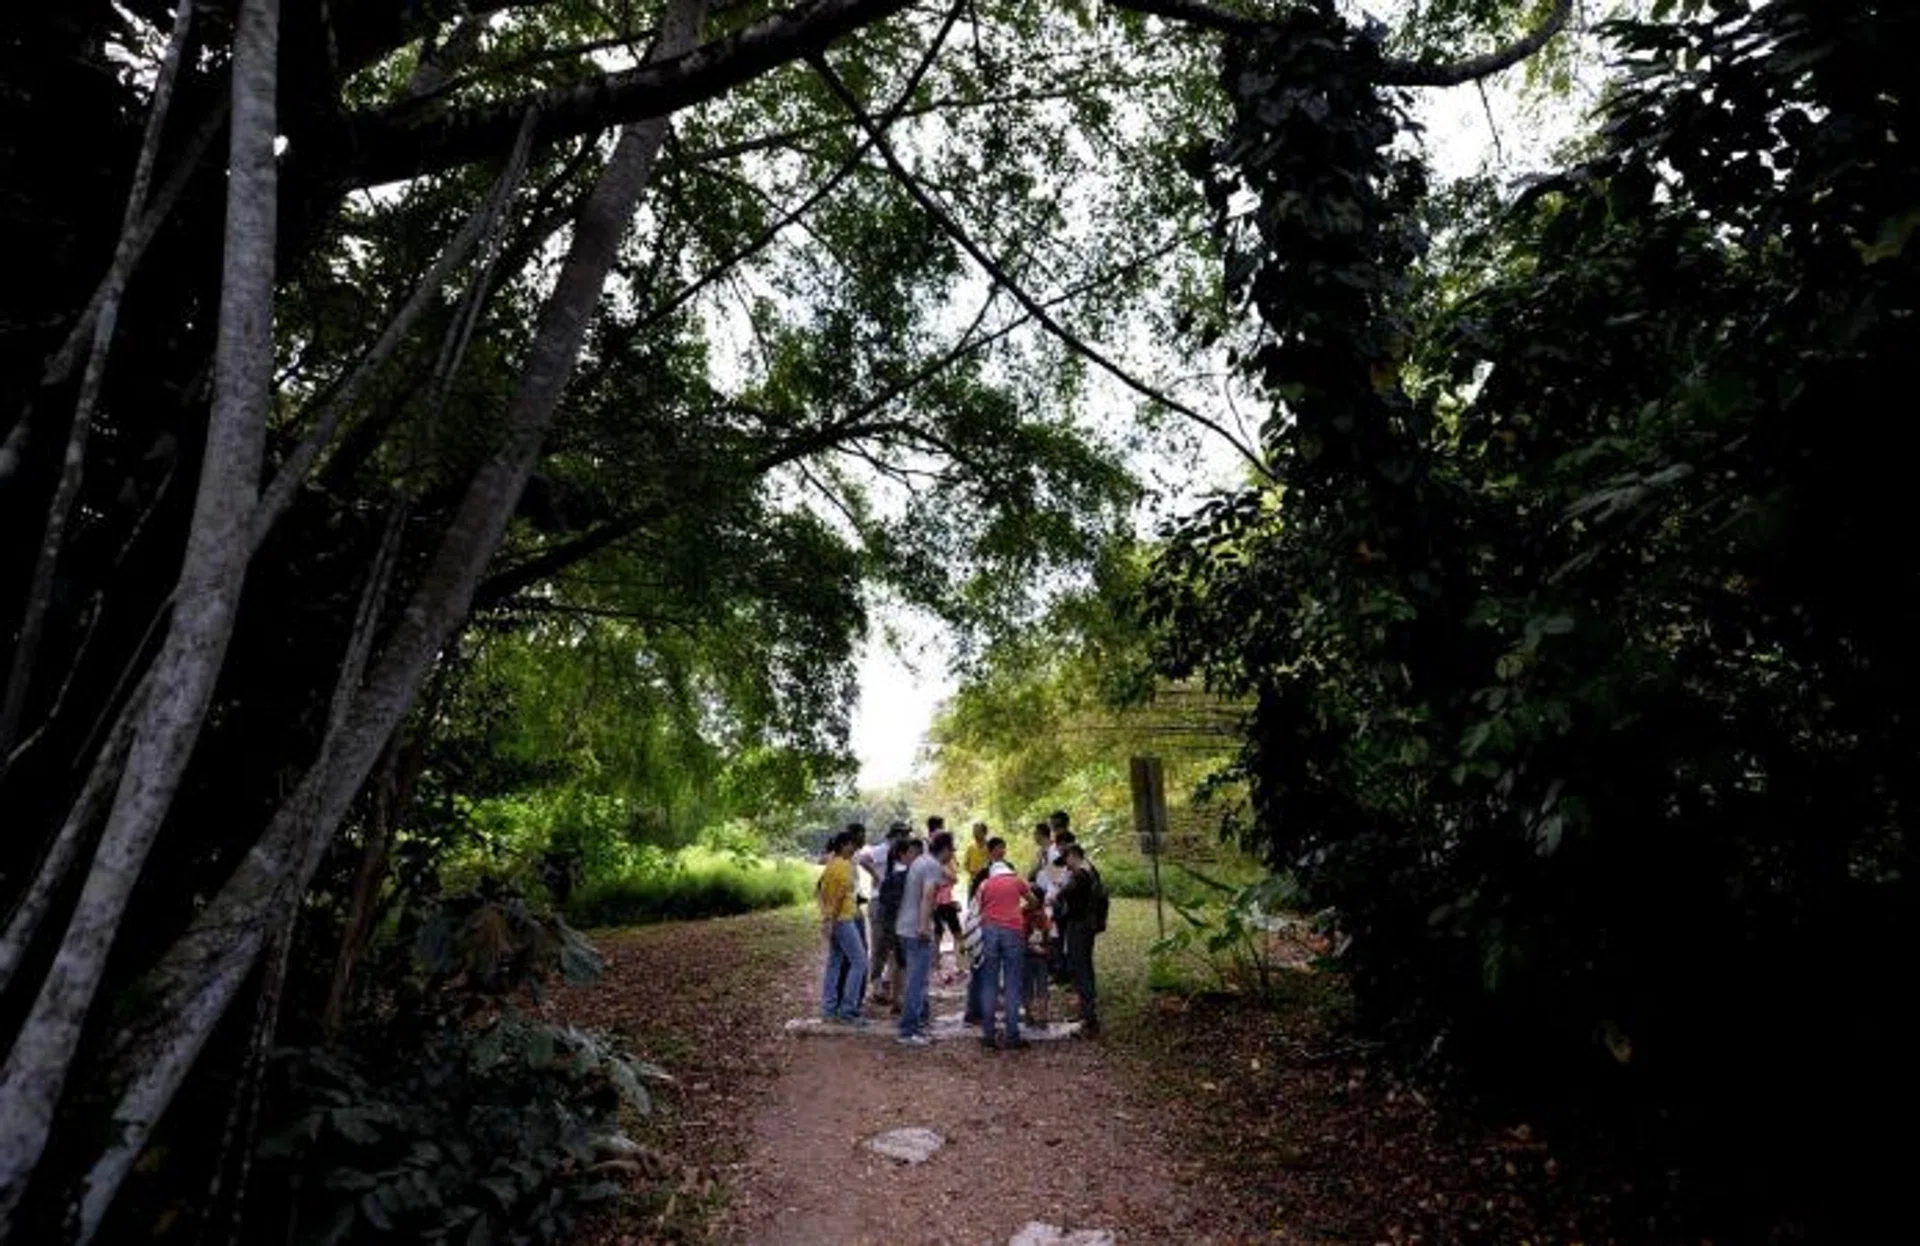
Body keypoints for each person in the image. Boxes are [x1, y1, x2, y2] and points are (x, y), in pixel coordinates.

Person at [895, 831, 951, 1046]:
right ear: (946, 850)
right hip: (915, 929)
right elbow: (928, 895)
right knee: (916, 982)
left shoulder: (922, 861)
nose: (952, 856)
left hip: (905, 927)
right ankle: (908, 1031)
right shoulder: (932, 865)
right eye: (952, 851)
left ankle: (915, 1026)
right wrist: (924, 926)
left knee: (917, 980)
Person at [974, 860, 1032, 1050]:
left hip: (989, 931)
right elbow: (1034, 901)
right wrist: (1020, 909)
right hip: (1013, 932)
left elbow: (978, 909)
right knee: (1012, 983)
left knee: (989, 983)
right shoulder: (1017, 881)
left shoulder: (985, 884)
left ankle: (988, 1036)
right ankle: (1012, 1035)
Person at [817, 831, 868, 1026]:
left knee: (835, 962)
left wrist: (826, 917)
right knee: (859, 962)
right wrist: (831, 919)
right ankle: (848, 1010)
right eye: (852, 845)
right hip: (843, 919)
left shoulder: (830, 864)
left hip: (834, 919)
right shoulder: (845, 865)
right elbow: (839, 896)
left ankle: (829, 1009)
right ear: (843, 845)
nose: (854, 849)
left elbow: (820, 892)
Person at [1055, 842, 1103, 1036]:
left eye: (1067, 859)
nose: (1066, 865)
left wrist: (1058, 892)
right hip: (1086, 925)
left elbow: (1064, 892)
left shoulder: (1081, 874)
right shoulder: (1090, 870)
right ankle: (1085, 1013)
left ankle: (1089, 1020)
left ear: (1074, 855)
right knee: (1084, 966)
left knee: (1080, 967)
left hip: (1080, 925)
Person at [863, 824, 910, 1006]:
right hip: (879, 901)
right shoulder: (882, 849)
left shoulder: (902, 852)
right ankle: (875, 986)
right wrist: (877, 877)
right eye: (904, 834)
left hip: (896, 903)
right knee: (879, 944)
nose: (907, 837)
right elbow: (863, 859)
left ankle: (890, 986)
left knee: (895, 945)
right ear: (896, 835)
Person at [961, 822, 991, 890]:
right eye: (974, 832)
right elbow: (966, 864)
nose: (975, 834)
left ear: (985, 833)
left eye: (978, 832)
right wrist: (972, 872)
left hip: (987, 882)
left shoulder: (990, 847)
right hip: (973, 882)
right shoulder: (970, 847)